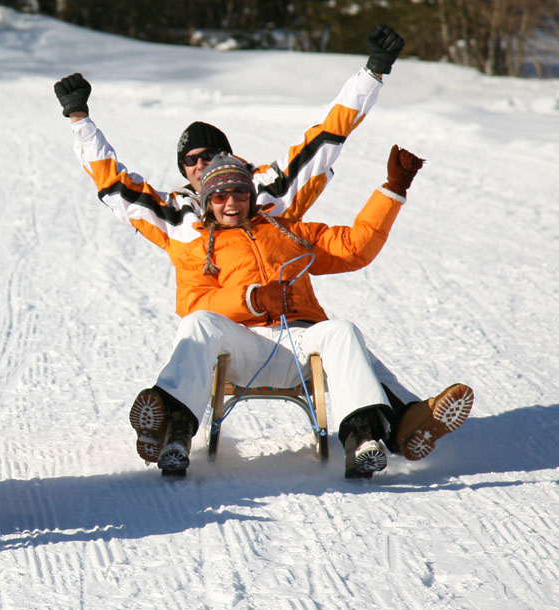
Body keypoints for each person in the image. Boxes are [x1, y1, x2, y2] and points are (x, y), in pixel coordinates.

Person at [53, 24, 472, 463]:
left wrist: (373, 73)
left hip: (298, 331)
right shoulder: (179, 221)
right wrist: (80, 120)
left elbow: (326, 139)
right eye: (190, 161)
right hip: (238, 337)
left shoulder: (272, 201)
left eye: (209, 157)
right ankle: (170, 424)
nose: (200, 166)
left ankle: (386, 427)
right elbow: (114, 185)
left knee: (342, 337)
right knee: (197, 327)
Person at [130, 147, 471, 479]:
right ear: (207, 202)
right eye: (219, 197)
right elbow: (195, 301)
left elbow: (354, 248)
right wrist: (255, 299)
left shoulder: (287, 231)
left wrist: (393, 190)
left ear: (250, 195)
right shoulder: (199, 245)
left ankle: (362, 439)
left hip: (302, 343)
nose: (231, 203)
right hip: (242, 349)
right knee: (198, 323)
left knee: (341, 330)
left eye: (239, 192)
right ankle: (172, 433)